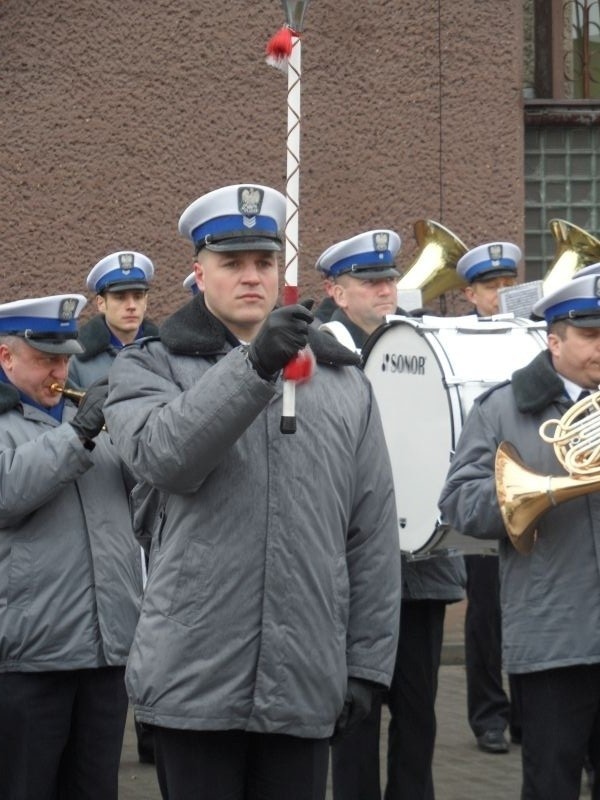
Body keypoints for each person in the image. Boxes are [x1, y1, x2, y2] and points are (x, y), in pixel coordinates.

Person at [102, 183, 402, 800]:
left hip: (304, 675)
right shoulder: (148, 366)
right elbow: (164, 457)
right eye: (231, 263)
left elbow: (370, 530)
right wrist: (255, 367)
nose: (250, 277)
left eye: (264, 262)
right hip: (195, 676)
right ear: (199, 272)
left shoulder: (343, 381)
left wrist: (367, 663)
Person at [316, 231, 466, 800]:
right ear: (336, 290)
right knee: (355, 715)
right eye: (370, 282)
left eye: (389, 280)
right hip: (354, 568)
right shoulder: (321, 352)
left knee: (418, 713)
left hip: (422, 570)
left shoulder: (426, 348)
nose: (386, 290)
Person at [439, 272, 600, 798]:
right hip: (555, 638)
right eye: (591, 334)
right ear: (554, 340)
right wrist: (534, 493)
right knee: (550, 784)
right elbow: (458, 502)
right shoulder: (502, 408)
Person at [0, 293, 143, 800]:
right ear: (6, 357)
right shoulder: (28, 425)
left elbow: (142, 499)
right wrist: (80, 434)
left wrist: (138, 428)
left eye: (64, 358)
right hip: (31, 657)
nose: (60, 371)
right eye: (45, 360)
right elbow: (9, 490)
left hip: (107, 651)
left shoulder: (86, 424)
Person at [456, 242, 522, 754]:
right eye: (490, 287)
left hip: (536, 485)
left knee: (529, 607)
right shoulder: (455, 340)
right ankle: (489, 715)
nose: (500, 295)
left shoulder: (533, 336)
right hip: (488, 485)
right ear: (469, 294)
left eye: (507, 284)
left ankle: (527, 712)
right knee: (487, 613)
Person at [68, 250, 158, 389]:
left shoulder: (164, 352)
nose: (131, 306)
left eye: (138, 296)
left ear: (146, 301)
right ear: (101, 303)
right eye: (120, 297)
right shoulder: (78, 362)